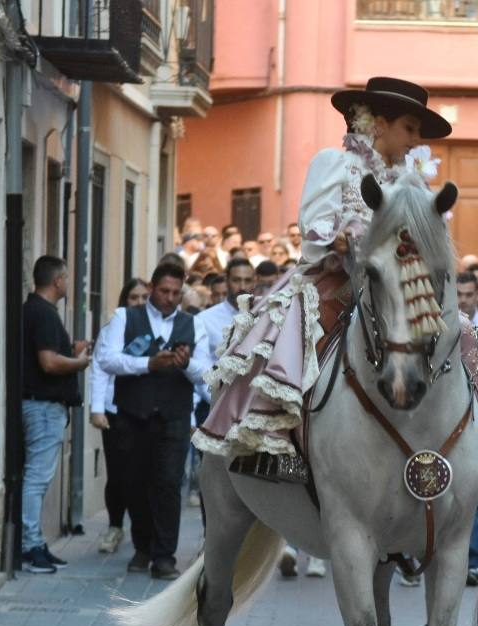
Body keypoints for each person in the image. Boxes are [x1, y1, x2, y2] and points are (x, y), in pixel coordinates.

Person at [192, 76, 453, 470]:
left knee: (456, 334)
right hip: (336, 282)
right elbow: (313, 221)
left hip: (397, 288)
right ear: (379, 123)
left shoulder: (411, 183)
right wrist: (339, 239)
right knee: (293, 341)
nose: (415, 140)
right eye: (410, 128)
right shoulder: (336, 163)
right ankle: (278, 448)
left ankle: (458, 436)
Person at [95, 258, 212, 580]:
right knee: (134, 483)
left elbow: (205, 375)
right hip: (132, 415)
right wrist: (148, 364)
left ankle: (164, 556)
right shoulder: (124, 317)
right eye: (164, 291)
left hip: (173, 416)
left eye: (176, 292)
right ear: (150, 289)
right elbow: (106, 360)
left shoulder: (193, 324)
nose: (170, 298)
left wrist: (184, 364)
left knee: (168, 485)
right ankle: (142, 546)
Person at [21, 256, 91, 573]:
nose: (68, 283)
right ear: (58, 280)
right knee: (36, 478)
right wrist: (80, 363)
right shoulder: (44, 313)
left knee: (37, 477)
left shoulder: (36, 309)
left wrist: (72, 349)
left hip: (41, 405)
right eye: (67, 277)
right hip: (43, 407)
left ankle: (34, 543)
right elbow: (49, 362)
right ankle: (29, 546)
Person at [91, 278, 150, 555]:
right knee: (118, 474)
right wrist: (97, 408)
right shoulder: (112, 329)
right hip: (115, 410)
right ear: (124, 301)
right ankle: (115, 526)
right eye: (133, 297)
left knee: (145, 474)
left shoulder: (156, 330)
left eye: (143, 298)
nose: (139, 303)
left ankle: (145, 532)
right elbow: (100, 368)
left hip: (147, 410)